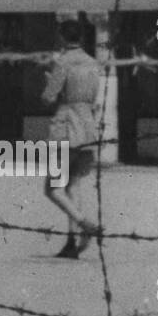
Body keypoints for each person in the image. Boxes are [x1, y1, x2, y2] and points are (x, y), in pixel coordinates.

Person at [41, 20, 103, 259]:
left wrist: (49, 81)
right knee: (74, 184)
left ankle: (83, 223)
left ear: (61, 38)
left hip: (66, 128)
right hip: (87, 128)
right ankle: (71, 241)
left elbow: (49, 97)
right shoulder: (93, 62)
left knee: (52, 188)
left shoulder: (62, 63)